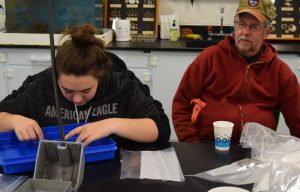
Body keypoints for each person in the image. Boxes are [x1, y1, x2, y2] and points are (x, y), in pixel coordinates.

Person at [0, 24, 171, 147]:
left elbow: (161, 129)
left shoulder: (120, 83)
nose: (77, 99)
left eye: (86, 90)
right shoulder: (40, 86)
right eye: (67, 90)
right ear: (56, 76)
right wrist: (13, 120)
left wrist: (112, 124)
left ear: (100, 74)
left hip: (111, 173)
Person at [172, 0, 300, 143]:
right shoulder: (210, 58)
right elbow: (181, 105)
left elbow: (298, 119)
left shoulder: (279, 71)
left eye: (254, 27)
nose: (245, 32)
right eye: (241, 24)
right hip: (207, 148)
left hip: (257, 153)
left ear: (267, 32)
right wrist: (193, 146)